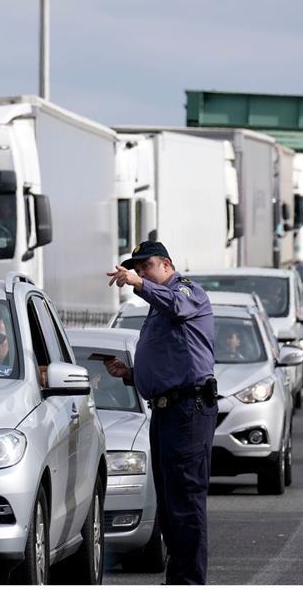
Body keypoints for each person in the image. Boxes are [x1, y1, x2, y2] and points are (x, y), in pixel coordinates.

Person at [105, 240, 217, 584]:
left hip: (189, 410)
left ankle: (189, 583)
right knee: (170, 505)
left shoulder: (186, 291)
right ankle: (179, 579)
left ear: (167, 264)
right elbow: (173, 360)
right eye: (137, 271)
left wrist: (139, 286)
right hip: (168, 411)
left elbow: (178, 306)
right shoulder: (158, 304)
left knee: (185, 501)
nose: (141, 275)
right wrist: (133, 374)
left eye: (146, 267)